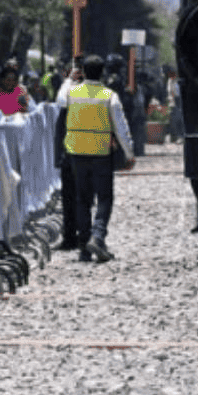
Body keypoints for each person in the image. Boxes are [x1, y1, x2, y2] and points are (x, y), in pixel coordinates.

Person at [63, 53, 134, 262]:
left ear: (82, 72)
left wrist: (70, 79)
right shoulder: (109, 96)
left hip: (76, 152)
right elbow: (121, 128)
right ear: (103, 73)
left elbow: (60, 104)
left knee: (82, 200)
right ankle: (98, 235)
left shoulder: (71, 93)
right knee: (104, 198)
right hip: (101, 153)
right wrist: (129, 153)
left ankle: (85, 247)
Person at [54, 57, 85, 250]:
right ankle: (70, 236)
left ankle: (82, 236)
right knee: (69, 197)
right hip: (70, 153)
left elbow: (63, 100)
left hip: (82, 150)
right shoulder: (69, 88)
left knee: (82, 197)